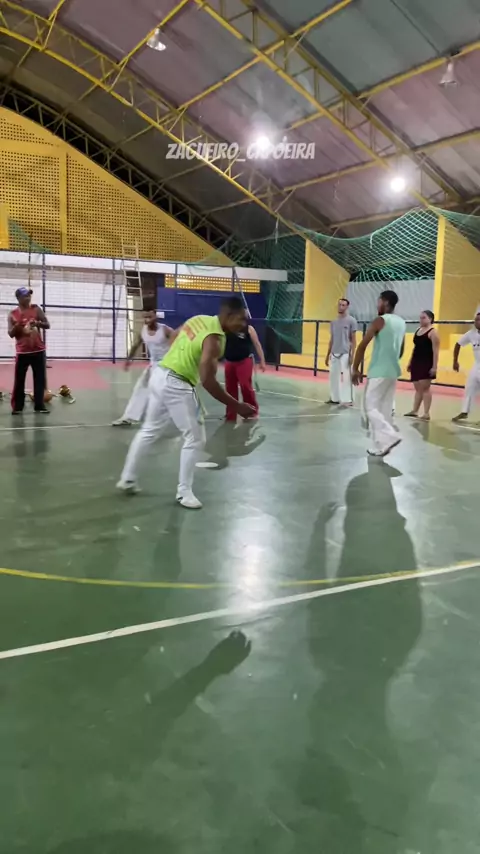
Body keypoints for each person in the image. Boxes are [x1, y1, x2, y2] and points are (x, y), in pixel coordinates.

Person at [117, 297, 255, 509]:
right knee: (195, 438)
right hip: (177, 385)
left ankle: (127, 478)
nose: (243, 324)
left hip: (159, 375)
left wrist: (179, 358)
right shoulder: (215, 340)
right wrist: (238, 406)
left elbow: (174, 337)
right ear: (228, 316)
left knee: (149, 430)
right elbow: (208, 381)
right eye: (241, 319)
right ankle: (184, 493)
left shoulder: (199, 319)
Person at [352, 290, 405, 457]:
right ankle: (381, 445)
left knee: (370, 408)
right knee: (384, 410)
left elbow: (362, 345)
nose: (377, 304)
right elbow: (401, 350)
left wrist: (355, 369)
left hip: (379, 371)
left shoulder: (380, 320)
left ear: (385, 302)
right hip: (393, 371)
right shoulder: (401, 322)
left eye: (379, 301)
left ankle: (390, 436)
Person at [112, 310, 174, 426]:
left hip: (168, 365)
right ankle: (130, 417)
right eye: (145, 317)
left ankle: (191, 411)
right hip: (154, 365)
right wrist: (128, 361)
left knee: (172, 390)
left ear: (155, 316)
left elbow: (179, 343)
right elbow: (135, 345)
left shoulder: (165, 330)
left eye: (150, 317)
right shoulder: (143, 331)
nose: (147, 320)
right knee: (141, 387)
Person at [8, 287, 50, 415]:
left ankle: (39, 405)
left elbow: (47, 325)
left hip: (38, 350)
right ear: (19, 298)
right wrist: (17, 325)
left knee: (40, 379)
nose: (28, 298)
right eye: (25, 296)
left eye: (29, 295)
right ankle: (18, 407)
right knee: (19, 380)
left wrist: (37, 323)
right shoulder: (13, 314)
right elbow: (10, 334)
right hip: (22, 352)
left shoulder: (36, 309)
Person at [224, 318, 266, 422]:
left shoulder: (249, 329)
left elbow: (257, 344)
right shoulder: (226, 328)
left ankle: (252, 411)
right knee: (230, 389)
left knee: (245, 385)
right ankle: (231, 414)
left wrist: (262, 361)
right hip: (229, 362)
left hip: (244, 361)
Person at [405, 310, 439, 421]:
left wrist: (434, 367)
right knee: (417, 387)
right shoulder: (418, 330)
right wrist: (410, 362)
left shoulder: (433, 333)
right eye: (420, 318)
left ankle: (426, 413)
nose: (421, 320)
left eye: (423, 318)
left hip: (426, 362)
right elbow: (415, 348)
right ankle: (415, 410)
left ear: (430, 319)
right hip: (416, 361)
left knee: (425, 388)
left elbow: (436, 351)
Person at [325, 298, 357, 405]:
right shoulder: (333, 322)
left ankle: (348, 399)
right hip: (334, 352)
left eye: (343, 305)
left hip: (346, 353)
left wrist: (352, 354)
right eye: (339, 304)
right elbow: (332, 339)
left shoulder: (351, 321)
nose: (341, 307)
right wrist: (328, 354)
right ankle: (334, 398)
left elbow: (354, 339)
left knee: (347, 377)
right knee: (333, 376)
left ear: (347, 307)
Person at [451, 311, 480, 422]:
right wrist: (455, 361)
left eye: (479, 320)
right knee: (469, 387)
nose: (476, 322)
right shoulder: (471, 334)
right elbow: (458, 344)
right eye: (475, 320)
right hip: (476, 365)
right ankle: (464, 412)